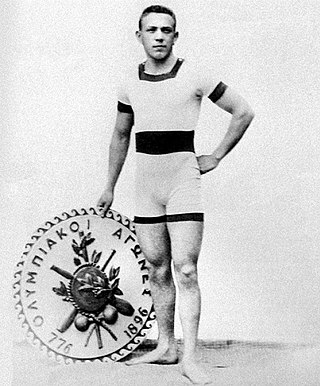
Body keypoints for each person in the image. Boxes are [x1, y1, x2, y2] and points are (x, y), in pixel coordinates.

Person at [98, 5, 254, 384]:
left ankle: (190, 358)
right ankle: (166, 346)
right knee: (156, 266)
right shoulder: (128, 83)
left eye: (166, 30)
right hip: (146, 185)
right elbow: (121, 135)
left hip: (183, 182)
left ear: (175, 36)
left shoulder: (194, 74)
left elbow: (243, 111)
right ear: (140, 36)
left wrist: (216, 156)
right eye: (151, 30)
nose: (159, 36)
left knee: (185, 268)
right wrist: (108, 186)